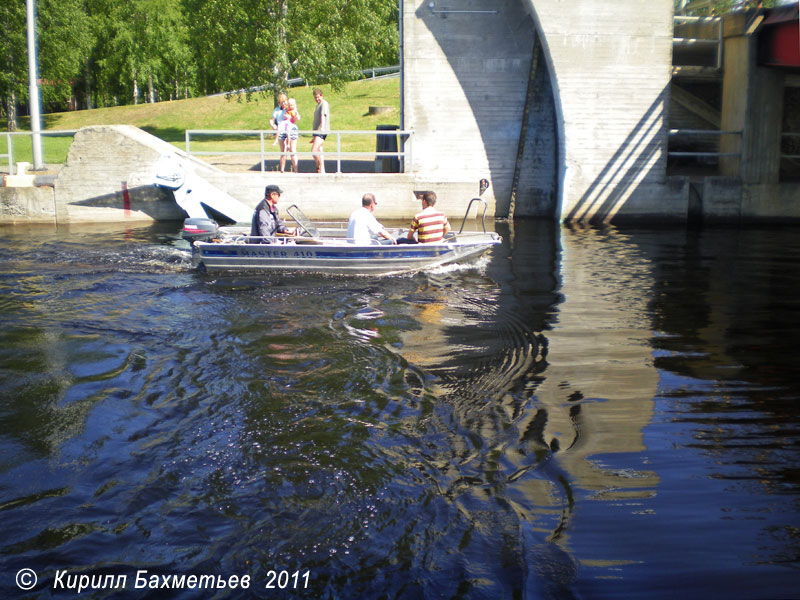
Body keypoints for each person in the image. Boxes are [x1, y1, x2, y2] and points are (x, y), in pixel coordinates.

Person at [278, 98, 300, 173]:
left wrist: (292, 117)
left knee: (292, 150)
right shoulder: (283, 110)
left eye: (292, 105)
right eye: (289, 105)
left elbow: (297, 117)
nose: (290, 106)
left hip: (291, 128)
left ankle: (296, 169)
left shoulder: (294, 111)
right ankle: (282, 169)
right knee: (283, 151)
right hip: (284, 128)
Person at [310, 88, 330, 174]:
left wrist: (322, 128)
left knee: (314, 151)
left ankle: (319, 167)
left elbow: (323, 116)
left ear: (321, 95)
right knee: (319, 150)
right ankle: (322, 170)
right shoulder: (317, 105)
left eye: (318, 97)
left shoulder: (324, 104)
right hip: (316, 132)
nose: (317, 99)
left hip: (321, 132)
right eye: (315, 98)